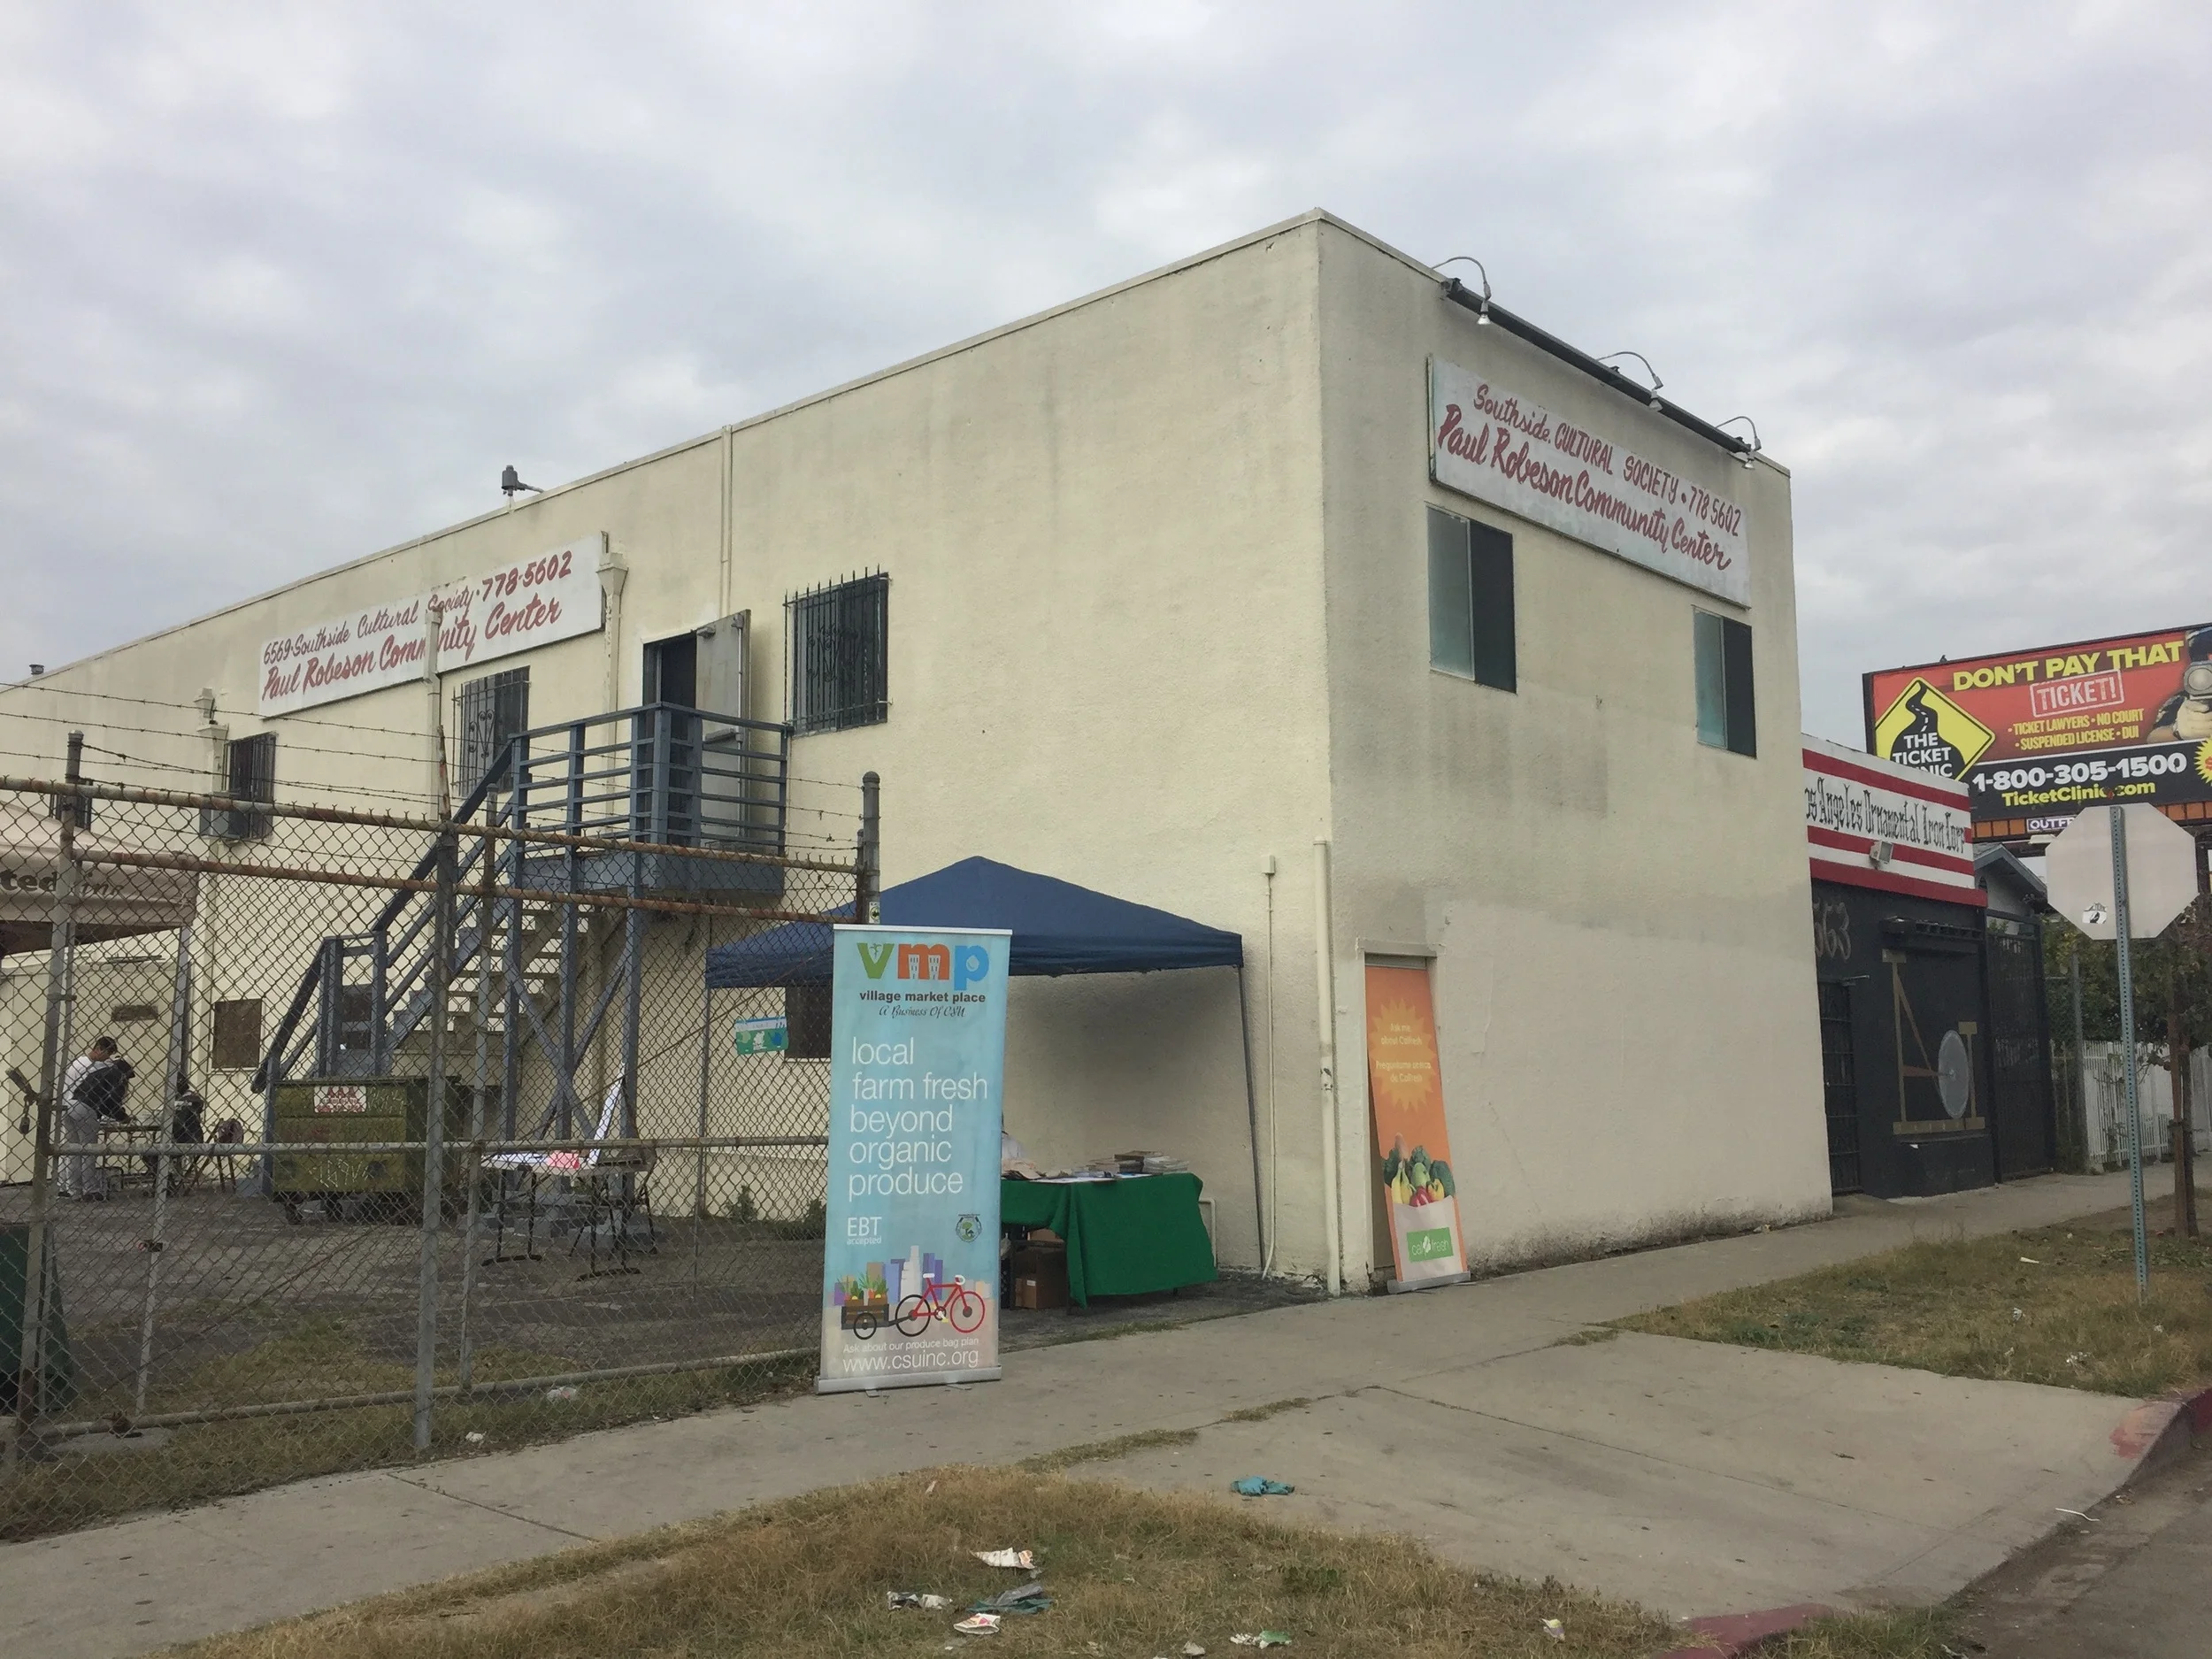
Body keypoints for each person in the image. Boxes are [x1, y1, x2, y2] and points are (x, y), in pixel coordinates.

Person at [57, 1036, 119, 1200]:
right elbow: (110, 1071)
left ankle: (72, 1189)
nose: (109, 1057)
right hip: (84, 1106)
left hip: (66, 1106)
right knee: (88, 1150)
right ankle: (90, 1189)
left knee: (72, 1150)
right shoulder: (96, 1066)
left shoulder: (77, 1062)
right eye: (108, 1053)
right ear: (99, 1049)